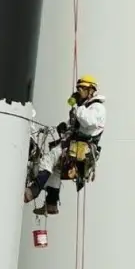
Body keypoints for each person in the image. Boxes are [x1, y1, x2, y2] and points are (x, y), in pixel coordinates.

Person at [24, 75, 106, 215]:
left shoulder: (97, 107)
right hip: (74, 146)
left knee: (47, 160)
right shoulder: (85, 107)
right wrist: (65, 126)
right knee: (55, 171)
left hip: (81, 147)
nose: (79, 91)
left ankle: (33, 191)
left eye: (82, 88)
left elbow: (88, 121)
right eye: (78, 88)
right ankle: (51, 203)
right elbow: (76, 123)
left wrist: (78, 106)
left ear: (91, 90)